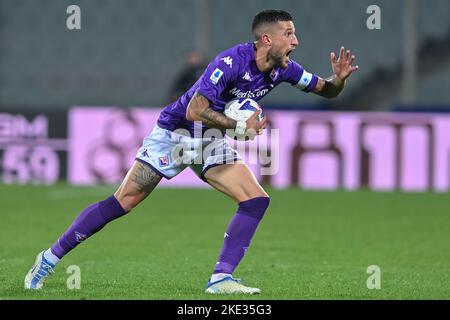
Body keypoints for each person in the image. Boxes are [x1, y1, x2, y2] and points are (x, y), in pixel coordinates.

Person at [24, 9, 358, 294]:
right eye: (289, 34)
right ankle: (49, 258)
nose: (296, 41)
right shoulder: (230, 62)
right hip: (176, 133)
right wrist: (238, 127)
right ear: (266, 39)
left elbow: (325, 90)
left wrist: (339, 81)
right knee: (122, 202)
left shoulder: (283, 68)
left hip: (210, 140)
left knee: (256, 199)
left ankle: (220, 278)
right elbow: (194, 111)